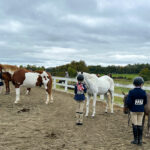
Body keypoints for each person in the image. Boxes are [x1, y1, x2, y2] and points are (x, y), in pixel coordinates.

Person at [126, 77, 147, 146]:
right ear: (141, 84)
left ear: (134, 84)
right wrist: (140, 106)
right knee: (140, 124)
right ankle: (140, 140)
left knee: (134, 124)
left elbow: (128, 102)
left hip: (134, 110)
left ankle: (135, 140)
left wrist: (130, 107)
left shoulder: (131, 92)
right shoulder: (144, 92)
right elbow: (145, 102)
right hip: (141, 110)